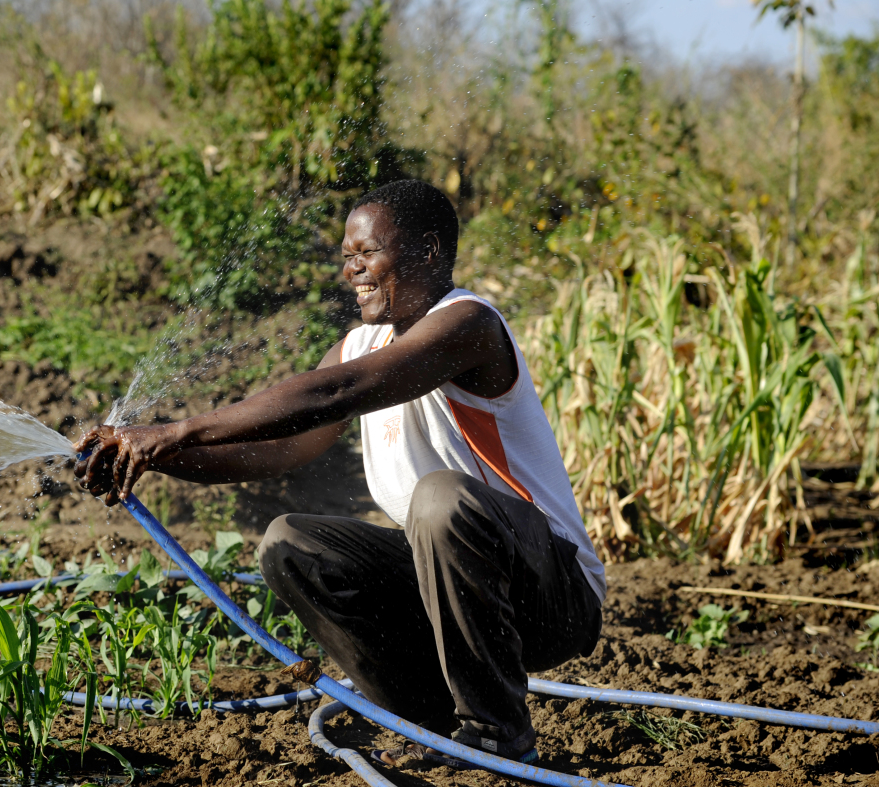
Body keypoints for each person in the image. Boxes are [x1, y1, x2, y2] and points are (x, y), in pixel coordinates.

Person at [71, 179, 605, 766]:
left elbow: (337, 392)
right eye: (347, 258)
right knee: (291, 543)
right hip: (451, 592)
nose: (350, 272)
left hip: (553, 596)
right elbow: (273, 449)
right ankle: (433, 724)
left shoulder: (467, 324)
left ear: (427, 251)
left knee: (440, 499)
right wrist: (150, 455)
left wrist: (177, 429)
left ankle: (496, 738)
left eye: (365, 254)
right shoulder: (360, 344)